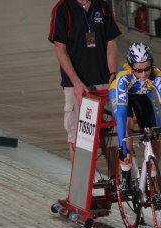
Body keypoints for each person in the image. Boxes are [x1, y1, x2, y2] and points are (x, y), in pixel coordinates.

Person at [48, 0, 121, 172]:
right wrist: (76, 83)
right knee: (79, 141)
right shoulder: (62, 9)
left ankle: (116, 187)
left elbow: (111, 43)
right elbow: (60, 48)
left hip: (104, 83)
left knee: (113, 137)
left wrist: (112, 75)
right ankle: (79, 194)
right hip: (77, 87)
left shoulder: (102, 7)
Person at [109, 43, 161, 181]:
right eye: (138, 70)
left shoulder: (158, 78)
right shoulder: (123, 79)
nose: (143, 74)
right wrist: (121, 146)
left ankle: (151, 180)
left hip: (143, 96)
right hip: (121, 95)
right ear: (131, 67)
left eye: (147, 69)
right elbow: (121, 115)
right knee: (126, 131)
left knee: (155, 134)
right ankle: (125, 175)